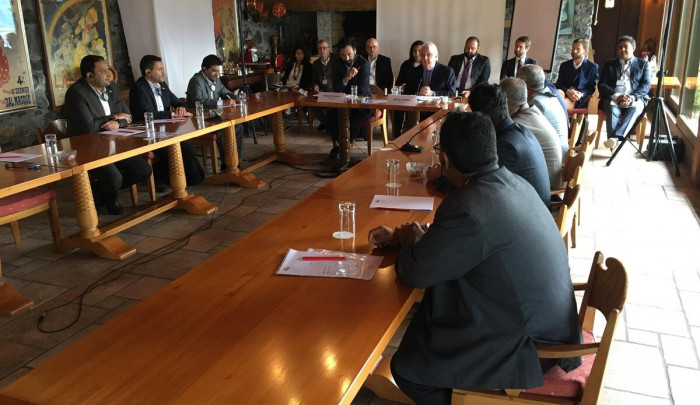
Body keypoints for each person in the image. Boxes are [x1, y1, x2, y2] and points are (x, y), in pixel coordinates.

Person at [368, 111, 582, 405]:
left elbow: (415, 272)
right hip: (551, 326)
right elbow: (469, 240)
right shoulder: (512, 182)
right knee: (431, 320)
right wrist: (411, 237)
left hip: (529, 349)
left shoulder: (467, 205)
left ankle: (470, 400)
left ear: (444, 160)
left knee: (409, 368)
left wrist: (411, 240)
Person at [63, 55, 152, 215]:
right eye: (103, 71)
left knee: (143, 170)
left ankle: (98, 193)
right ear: (90, 76)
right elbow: (89, 127)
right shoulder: (76, 93)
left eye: (108, 70)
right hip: (88, 148)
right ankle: (109, 196)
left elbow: (128, 116)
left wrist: (118, 123)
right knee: (114, 178)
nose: (108, 75)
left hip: (114, 143)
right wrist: (114, 117)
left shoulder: (112, 88)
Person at [469, 83, 551, 207]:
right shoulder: (519, 130)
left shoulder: (506, 145)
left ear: (479, 116)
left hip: (528, 213)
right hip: (533, 207)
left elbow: (481, 187)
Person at [129, 55, 204, 188]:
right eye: (160, 69)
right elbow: (145, 113)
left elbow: (178, 102)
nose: (163, 72)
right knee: (183, 151)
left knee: (188, 149)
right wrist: (171, 114)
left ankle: (168, 177)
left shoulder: (162, 85)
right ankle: (157, 175)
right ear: (148, 72)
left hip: (167, 131)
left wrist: (180, 108)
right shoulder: (138, 88)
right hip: (148, 134)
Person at [500, 77, 562, 188]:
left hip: (547, 187)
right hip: (549, 177)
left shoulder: (519, 124)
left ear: (509, 103)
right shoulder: (532, 111)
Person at [186, 54, 244, 165]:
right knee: (222, 130)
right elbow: (199, 101)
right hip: (200, 119)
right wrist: (221, 103)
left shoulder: (216, 79)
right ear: (204, 69)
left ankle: (237, 160)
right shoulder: (196, 80)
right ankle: (227, 164)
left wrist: (236, 97)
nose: (217, 74)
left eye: (218, 71)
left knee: (238, 127)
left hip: (214, 116)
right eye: (214, 71)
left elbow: (224, 91)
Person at [598, 35, 651, 150]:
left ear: (633, 48)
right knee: (612, 110)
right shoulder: (609, 64)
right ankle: (616, 142)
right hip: (613, 98)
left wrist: (632, 97)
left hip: (634, 99)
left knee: (634, 109)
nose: (622, 50)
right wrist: (617, 96)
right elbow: (602, 85)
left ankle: (614, 139)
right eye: (620, 47)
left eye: (626, 47)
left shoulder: (643, 64)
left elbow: (646, 85)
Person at [326, 37, 371, 160]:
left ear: (355, 51)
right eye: (343, 55)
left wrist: (347, 89)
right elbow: (336, 88)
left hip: (362, 104)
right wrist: (346, 78)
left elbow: (362, 89)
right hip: (343, 103)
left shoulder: (364, 64)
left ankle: (343, 148)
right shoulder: (336, 63)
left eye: (349, 54)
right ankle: (340, 147)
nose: (346, 58)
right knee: (331, 116)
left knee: (353, 119)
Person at [517, 64, 570, 157]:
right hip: (561, 150)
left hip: (553, 157)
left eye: (517, 81)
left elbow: (523, 133)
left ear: (525, 85)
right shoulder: (548, 93)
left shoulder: (536, 103)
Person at [555, 38, 599, 109]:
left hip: (578, 97)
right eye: (573, 48)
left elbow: (591, 88)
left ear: (585, 51)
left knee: (559, 105)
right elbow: (560, 84)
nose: (574, 51)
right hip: (564, 92)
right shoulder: (564, 65)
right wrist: (568, 91)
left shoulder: (592, 67)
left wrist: (581, 94)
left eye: (578, 49)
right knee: (557, 94)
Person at [393, 40, 423, 138]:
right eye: (414, 51)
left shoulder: (425, 65)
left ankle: (415, 135)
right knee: (397, 109)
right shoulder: (406, 64)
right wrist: (402, 85)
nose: (417, 53)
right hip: (405, 95)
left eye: (419, 51)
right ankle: (397, 136)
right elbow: (398, 82)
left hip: (419, 97)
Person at [311, 39, 334, 131]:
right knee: (312, 103)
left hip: (334, 90)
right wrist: (315, 86)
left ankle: (328, 123)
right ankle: (325, 122)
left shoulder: (336, 60)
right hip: (322, 90)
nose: (322, 50)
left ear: (329, 49)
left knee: (331, 104)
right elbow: (314, 80)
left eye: (324, 48)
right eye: (320, 48)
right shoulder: (316, 64)